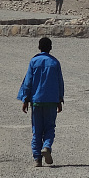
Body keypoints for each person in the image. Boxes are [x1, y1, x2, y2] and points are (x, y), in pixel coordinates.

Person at [17, 37, 65, 167]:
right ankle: (47, 146)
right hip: (51, 101)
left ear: (39, 47)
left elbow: (28, 82)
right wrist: (60, 99)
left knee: (36, 130)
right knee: (50, 127)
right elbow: (60, 82)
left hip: (36, 101)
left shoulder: (34, 61)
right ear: (50, 48)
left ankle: (37, 158)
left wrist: (25, 99)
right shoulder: (55, 63)